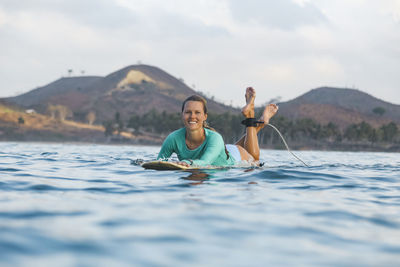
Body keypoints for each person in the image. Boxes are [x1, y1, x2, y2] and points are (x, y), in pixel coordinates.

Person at [157, 87, 278, 167]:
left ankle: (250, 115)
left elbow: (205, 162)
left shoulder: (215, 138)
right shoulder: (173, 138)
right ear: (182, 115)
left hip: (236, 156)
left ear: (205, 116)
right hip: (222, 150)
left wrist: (185, 162)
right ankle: (261, 122)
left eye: (197, 113)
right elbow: (159, 162)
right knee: (242, 146)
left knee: (255, 162)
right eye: (188, 112)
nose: (192, 116)